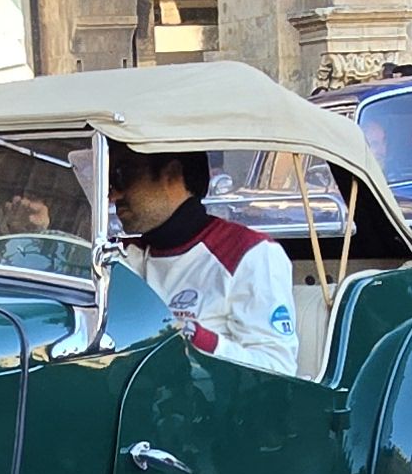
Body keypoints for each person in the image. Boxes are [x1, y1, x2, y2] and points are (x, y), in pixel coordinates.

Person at [108, 143, 294, 373]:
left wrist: (198, 340)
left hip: (211, 405)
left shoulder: (250, 253)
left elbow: (279, 369)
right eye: (107, 180)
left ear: (172, 175)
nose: (112, 194)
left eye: (122, 175)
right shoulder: (119, 257)